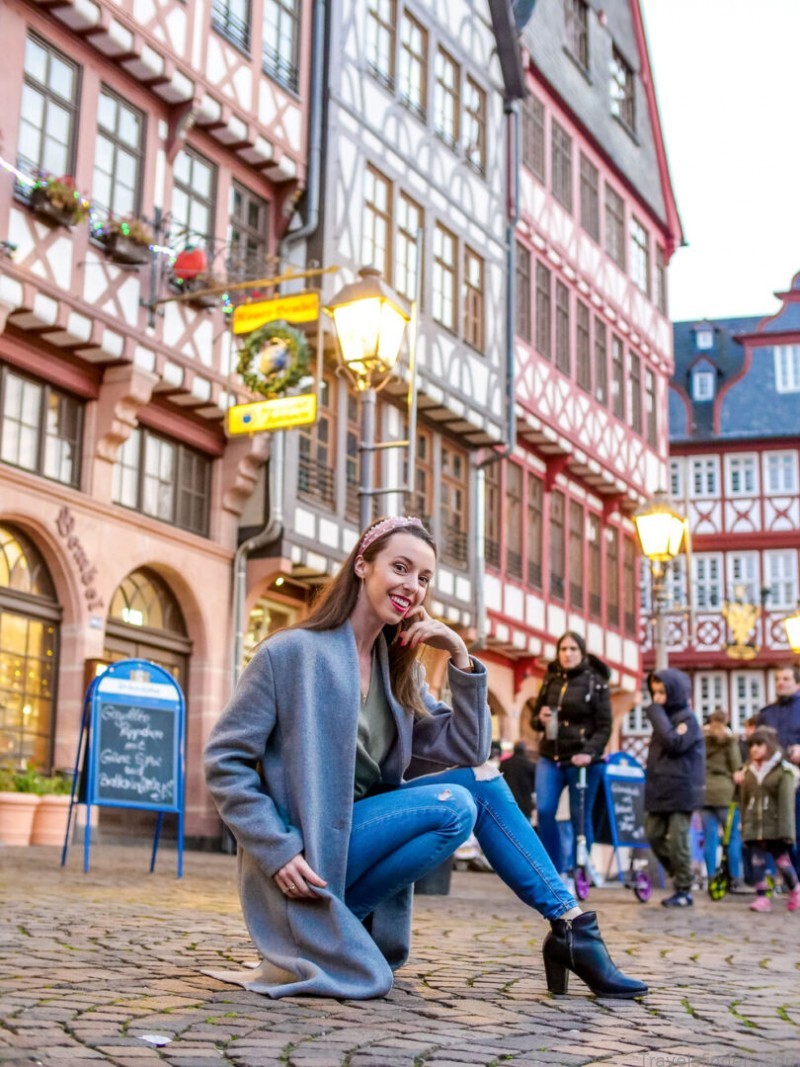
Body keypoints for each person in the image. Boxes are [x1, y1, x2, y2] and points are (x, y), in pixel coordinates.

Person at [204, 516, 646, 1000]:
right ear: (362, 566)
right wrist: (277, 849)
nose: (412, 586)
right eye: (400, 567)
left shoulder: (398, 672)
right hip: (305, 858)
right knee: (452, 806)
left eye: (424, 577)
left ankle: (571, 926)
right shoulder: (290, 653)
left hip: (354, 846)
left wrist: (458, 654)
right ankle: (326, 924)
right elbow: (226, 760)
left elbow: (471, 749)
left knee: (479, 780)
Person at [529, 632, 611, 884]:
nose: (567, 654)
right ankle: (553, 870)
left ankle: (579, 870)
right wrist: (540, 719)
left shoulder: (596, 682)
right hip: (550, 755)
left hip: (582, 759)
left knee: (580, 817)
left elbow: (605, 726)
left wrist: (589, 752)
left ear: (582, 652)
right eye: (563, 649)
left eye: (573, 649)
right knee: (545, 811)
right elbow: (535, 719)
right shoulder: (551, 679)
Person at [643, 669, 705, 908]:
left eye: (662, 692)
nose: (657, 698)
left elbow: (675, 743)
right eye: (654, 692)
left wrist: (656, 715)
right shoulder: (664, 720)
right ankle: (681, 874)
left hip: (681, 790)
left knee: (679, 840)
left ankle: (684, 888)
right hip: (660, 789)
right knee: (653, 834)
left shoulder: (687, 720)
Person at [740, 726, 800, 913]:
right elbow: (744, 801)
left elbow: (786, 805)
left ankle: (795, 889)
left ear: (770, 746)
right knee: (757, 861)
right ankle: (762, 898)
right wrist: (745, 824)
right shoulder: (749, 771)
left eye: (759, 745)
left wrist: (786, 832)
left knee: (782, 862)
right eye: (752, 745)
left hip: (774, 826)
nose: (754, 749)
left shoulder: (783, 772)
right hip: (755, 826)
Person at [756, 665, 800, 870]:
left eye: (786, 678)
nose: (780, 683)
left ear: (797, 684)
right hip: (774, 781)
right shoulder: (767, 714)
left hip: (798, 780)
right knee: (780, 835)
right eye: (777, 679)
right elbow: (757, 744)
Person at [701, 709, 744, 889]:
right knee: (732, 836)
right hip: (725, 793)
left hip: (705, 792)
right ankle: (734, 877)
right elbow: (737, 769)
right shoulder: (729, 740)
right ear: (726, 721)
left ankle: (712, 877)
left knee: (709, 837)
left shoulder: (701, 739)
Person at [500, 741, 537, 821]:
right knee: (525, 824)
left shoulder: (504, 764)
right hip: (525, 804)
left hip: (508, 802)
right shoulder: (531, 765)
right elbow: (535, 786)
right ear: (525, 751)